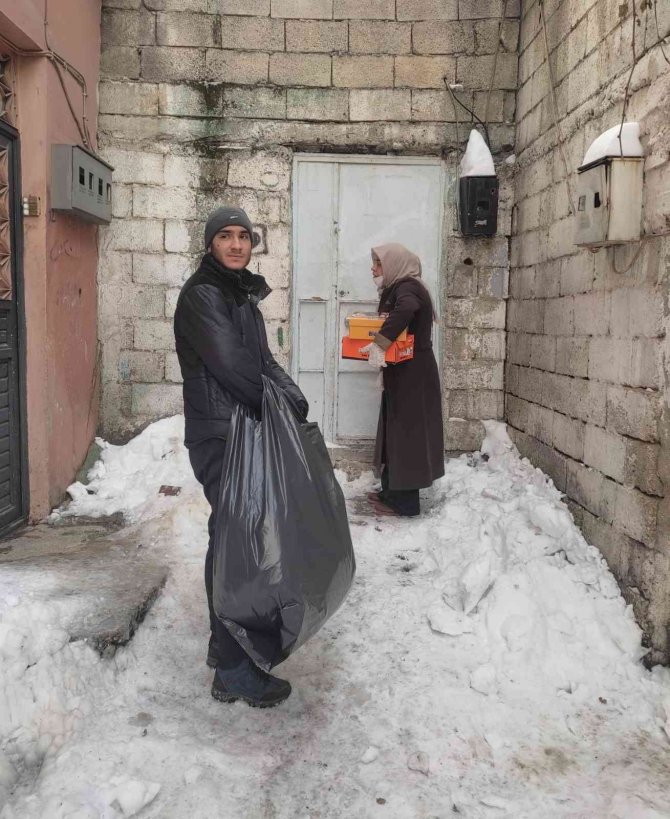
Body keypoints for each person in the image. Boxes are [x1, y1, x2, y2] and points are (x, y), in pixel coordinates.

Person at [173, 206, 308, 708]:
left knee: (236, 542)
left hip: (241, 432)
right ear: (210, 244)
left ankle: (225, 652)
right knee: (237, 547)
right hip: (220, 436)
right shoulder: (203, 295)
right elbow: (234, 368)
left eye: (243, 237)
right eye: (225, 236)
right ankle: (232, 669)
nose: (235, 245)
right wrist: (280, 411)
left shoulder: (239, 295)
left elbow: (264, 363)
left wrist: (295, 400)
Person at [363, 243, 444, 517]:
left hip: (413, 375)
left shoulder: (407, 287)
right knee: (395, 432)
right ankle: (391, 493)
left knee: (406, 434)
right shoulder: (400, 286)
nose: (373, 269)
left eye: (378, 263)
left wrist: (380, 343)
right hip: (404, 372)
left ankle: (405, 504)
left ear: (394, 264)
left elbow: (407, 308)